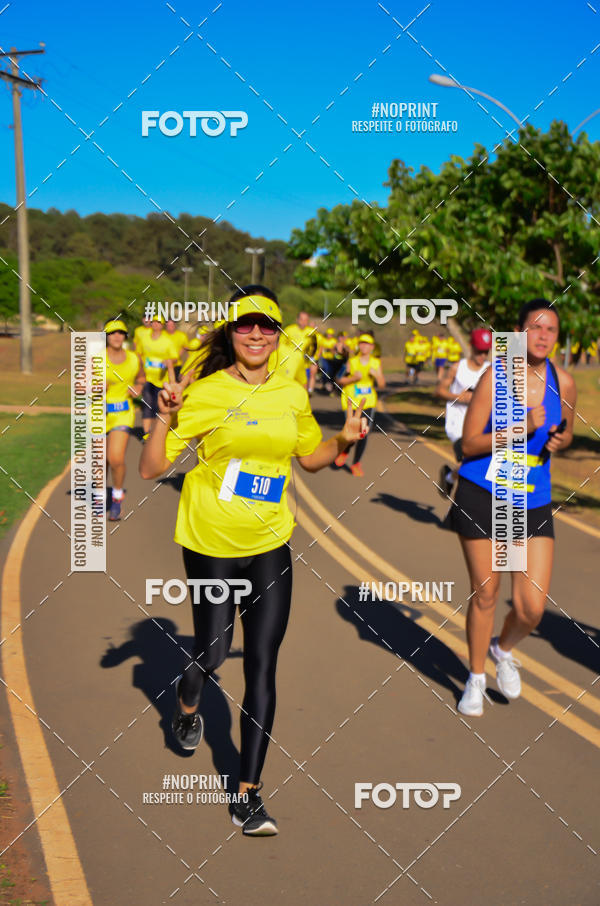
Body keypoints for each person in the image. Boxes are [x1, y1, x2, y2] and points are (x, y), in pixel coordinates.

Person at [139, 285, 368, 835]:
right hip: (212, 542)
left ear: (278, 333)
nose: (258, 334)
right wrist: (164, 416)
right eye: (247, 325)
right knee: (215, 655)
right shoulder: (207, 392)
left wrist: (342, 441)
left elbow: (309, 459)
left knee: (263, 663)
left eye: (268, 325)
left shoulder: (290, 393)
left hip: (270, 545)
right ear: (231, 332)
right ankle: (189, 697)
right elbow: (150, 469)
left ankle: (249, 794)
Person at [444, 299, 576, 717]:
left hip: (532, 497)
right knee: (486, 593)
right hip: (483, 491)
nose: (542, 336)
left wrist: (558, 440)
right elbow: (468, 446)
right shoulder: (494, 377)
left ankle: (503, 649)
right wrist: (523, 427)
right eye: (534, 328)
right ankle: (476, 677)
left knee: (531, 607)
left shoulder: (564, 382)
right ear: (518, 334)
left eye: (550, 329)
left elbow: (567, 432)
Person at [436, 328, 492, 496]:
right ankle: (453, 484)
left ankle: (449, 477)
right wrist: (458, 397)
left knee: (480, 467)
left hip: (482, 426)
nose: (482, 355)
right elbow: (439, 391)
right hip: (458, 425)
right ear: (471, 346)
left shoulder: (493, 370)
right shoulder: (457, 368)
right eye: (479, 350)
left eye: (485, 351)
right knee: (470, 463)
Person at [104, 320, 145, 520]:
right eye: (112, 333)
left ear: (125, 336)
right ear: (106, 337)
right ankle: (99, 495)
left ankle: (117, 498)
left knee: (116, 458)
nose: (117, 336)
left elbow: (142, 378)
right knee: (100, 462)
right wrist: (92, 388)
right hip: (99, 414)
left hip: (123, 412)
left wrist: (138, 388)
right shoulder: (96, 359)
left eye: (121, 332)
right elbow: (79, 386)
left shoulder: (134, 358)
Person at [334, 333, 385, 477]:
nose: (364, 346)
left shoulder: (376, 362)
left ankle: (356, 463)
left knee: (364, 432)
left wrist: (377, 375)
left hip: (368, 401)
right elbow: (338, 380)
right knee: (352, 430)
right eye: (362, 343)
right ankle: (344, 451)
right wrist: (353, 378)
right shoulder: (352, 361)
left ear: (372, 347)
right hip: (351, 400)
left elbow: (382, 384)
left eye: (367, 344)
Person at [138, 316, 177, 436]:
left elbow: (174, 358)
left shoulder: (167, 341)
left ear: (162, 325)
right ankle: (145, 434)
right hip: (148, 378)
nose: (156, 324)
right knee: (147, 404)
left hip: (161, 380)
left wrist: (167, 361)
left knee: (158, 406)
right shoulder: (144, 339)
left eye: (159, 322)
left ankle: (156, 433)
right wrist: (141, 371)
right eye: (154, 322)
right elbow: (139, 354)